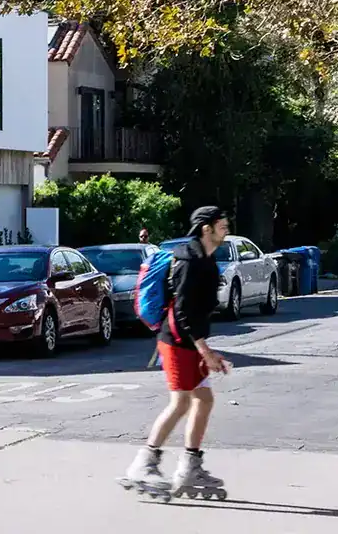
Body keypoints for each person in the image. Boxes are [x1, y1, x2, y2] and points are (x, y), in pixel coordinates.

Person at [121, 206, 233, 494]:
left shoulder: (206, 259)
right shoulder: (189, 260)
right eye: (222, 224)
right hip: (176, 342)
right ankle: (143, 465)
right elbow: (183, 311)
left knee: (204, 399)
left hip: (189, 344)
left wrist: (207, 350)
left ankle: (190, 466)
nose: (226, 228)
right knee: (181, 402)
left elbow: (198, 310)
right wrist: (204, 350)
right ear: (206, 228)